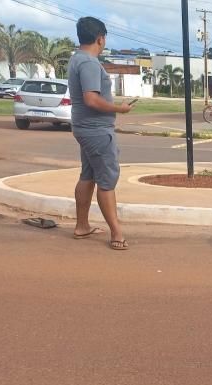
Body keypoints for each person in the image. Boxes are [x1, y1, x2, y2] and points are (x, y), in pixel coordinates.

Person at [68, 17, 134, 250]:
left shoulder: (77, 59)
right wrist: (119, 109)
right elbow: (91, 99)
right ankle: (117, 234)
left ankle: (82, 226)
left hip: (85, 128)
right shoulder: (89, 63)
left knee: (88, 176)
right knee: (106, 181)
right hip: (96, 131)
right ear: (100, 38)